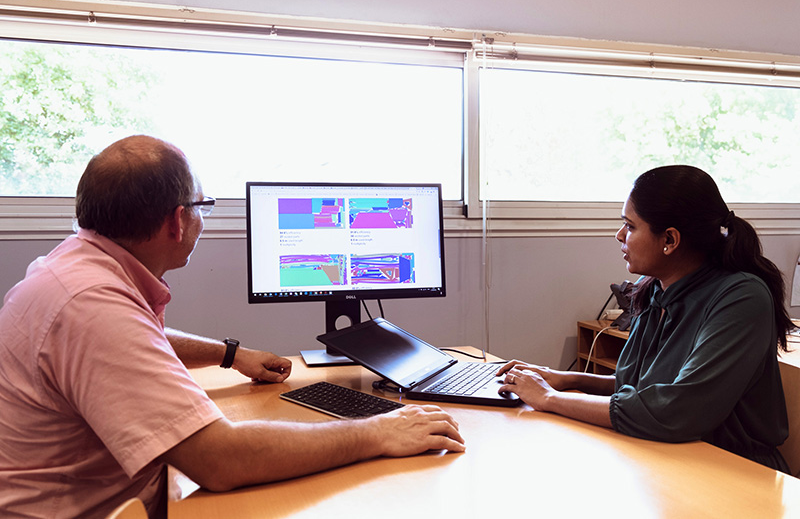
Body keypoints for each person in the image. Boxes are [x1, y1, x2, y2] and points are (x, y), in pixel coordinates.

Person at [0, 135, 465, 518]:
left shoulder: (74, 269)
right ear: (177, 222)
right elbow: (220, 460)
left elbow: (141, 340)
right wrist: (379, 431)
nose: (204, 218)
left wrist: (231, 355)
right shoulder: (90, 305)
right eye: (203, 205)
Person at [498, 165, 792, 472]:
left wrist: (549, 398)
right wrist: (563, 378)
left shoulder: (741, 297)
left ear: (670, 239)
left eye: (630, 226)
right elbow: (636, 387)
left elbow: (675, 410)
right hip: (666, 456)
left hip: (735, 470)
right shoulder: (655, 289)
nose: (619, 235)